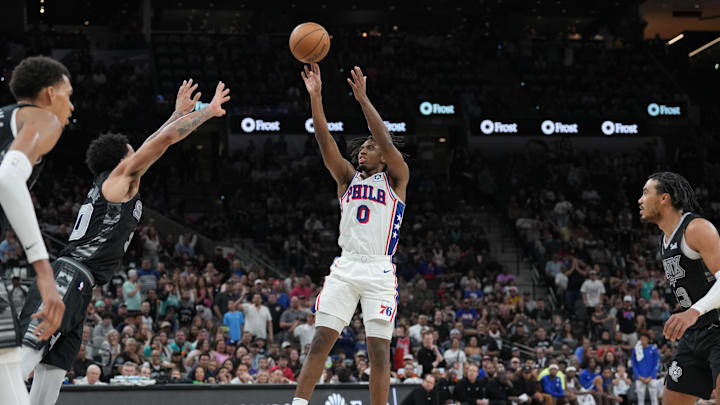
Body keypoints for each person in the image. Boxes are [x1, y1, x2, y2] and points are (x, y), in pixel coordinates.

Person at [17, 79, 230, 405]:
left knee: (50, 379)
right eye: (133, 151)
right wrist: (207, 112)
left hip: (81, 286)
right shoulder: (120, 181)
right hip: (68, 278)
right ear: (122, 160)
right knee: (23, 362)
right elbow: (163, 142)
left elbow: (156, 141)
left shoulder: (115, 181)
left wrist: (175, 114)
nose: (139, 152)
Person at [291, 63, 409, 405]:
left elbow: (385, 139)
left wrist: (362, 99)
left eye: (371, 147)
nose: (364, 149)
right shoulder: (346, 177)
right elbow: (323, 138)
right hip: (345, 268)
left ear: (384, 159)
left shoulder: (396, 179)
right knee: (320, 341)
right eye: (363, 146)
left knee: (378, 351)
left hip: (379, 269)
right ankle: (298, 404)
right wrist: (316, 97)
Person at [0, 55, 74, 405]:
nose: (70, 105)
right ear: (49, 93)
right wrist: (44, 273)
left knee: (6, 366)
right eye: (68, 94)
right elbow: (8, 178)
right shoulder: (44, 118)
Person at [639, 172, 720, 404]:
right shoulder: (665, 241)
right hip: (695, 333)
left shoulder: (696, 228)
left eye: (646, 192)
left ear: (664, 198)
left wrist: (692, 311)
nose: (640, 200)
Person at [631, 333, 659, 405]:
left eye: (644, 339)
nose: (643, 341)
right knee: (640, 400)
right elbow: (634, 364)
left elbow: (656, 363)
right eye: (641, 339)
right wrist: (638, 376)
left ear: (648, 340)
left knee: (654, 399)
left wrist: (651, 376)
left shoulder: (653, 348)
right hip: (640, 377)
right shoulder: (636, 349)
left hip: (651, 377)